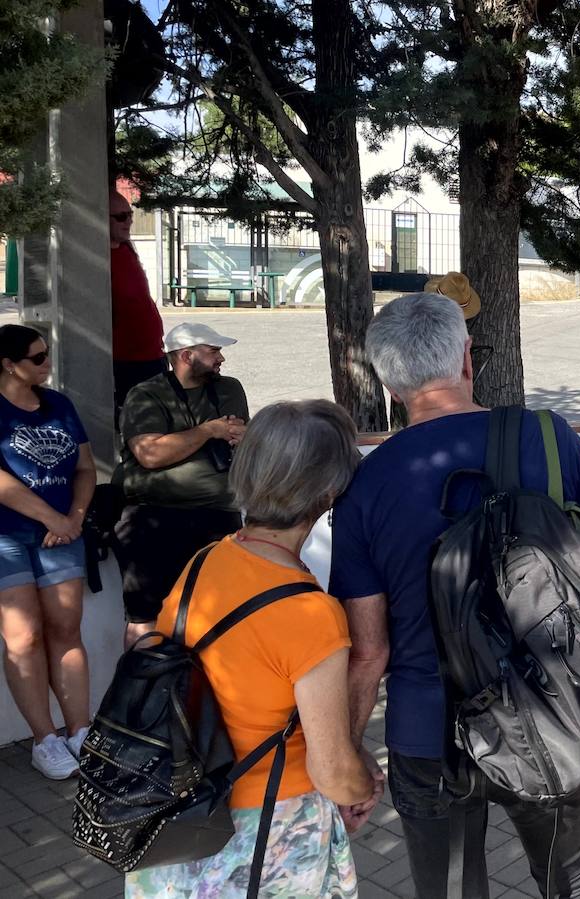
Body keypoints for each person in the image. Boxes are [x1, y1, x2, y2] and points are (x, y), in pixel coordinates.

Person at [332, 292, 580, 899]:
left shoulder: (365, 484)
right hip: (552, 703)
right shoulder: (548, 435)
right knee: (572, 877)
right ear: (467, 358)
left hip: (427, 728)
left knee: (449, 890)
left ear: (390, 384)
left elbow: (369, 651)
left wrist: (348, 751)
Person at [125, 400, 381, 898]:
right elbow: (333, 774)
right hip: (265, 830)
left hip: (180, 818)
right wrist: (364, 786)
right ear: (329, 493)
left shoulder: (205, 561)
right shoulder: (310, 613)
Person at [113, 322, 248, 648]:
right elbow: (150, 454)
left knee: (223, 609)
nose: (221, 358)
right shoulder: (146, 394)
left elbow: (242, 437)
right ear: (186, 356)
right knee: (147, 616)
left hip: (219, 514)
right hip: (155, 518)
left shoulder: (229, 389)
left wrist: (242, 437)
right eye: (213, 351)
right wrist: (208, 431)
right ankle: (145, 677)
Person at [0, 325, 94, 780]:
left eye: (48, 354)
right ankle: (44, 739)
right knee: (23, 637)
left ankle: (79, 730)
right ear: (8, 365)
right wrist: (52, 518)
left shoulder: (59, 404)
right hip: (8, 535)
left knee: (66, 628)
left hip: (62, 533)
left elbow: (85, 468)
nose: (47, 364)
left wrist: (73, 516)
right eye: (38, 358)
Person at [109, 189, 166, 419]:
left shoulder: (126, 250)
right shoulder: (103, 258)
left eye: (130, 215)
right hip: (126, 363)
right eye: (121, 217)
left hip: (152, 356)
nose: (129, 221)